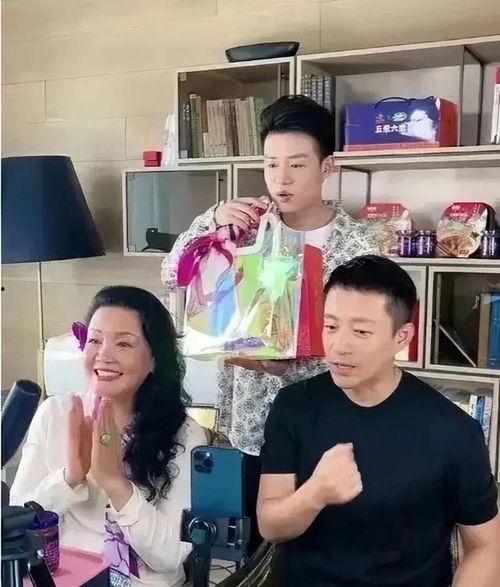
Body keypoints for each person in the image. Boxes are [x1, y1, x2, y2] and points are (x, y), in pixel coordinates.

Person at [161, 96, 379, 545]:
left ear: (327, 167)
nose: (281, 179)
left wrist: (287, 365)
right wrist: (211, 222)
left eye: (297, 165)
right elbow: (172, 274)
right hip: (250, 425)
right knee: (253, 545)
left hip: (325, 424)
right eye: (271, 164)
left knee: (320, 544)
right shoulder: (244, 225)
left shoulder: (357, 247)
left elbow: (368, 341)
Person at [258, 255, 499, 587]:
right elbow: (270, 526)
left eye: (361, 331)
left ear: (402, 336)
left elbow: (486, 546)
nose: (339, 346)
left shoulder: (453, 431)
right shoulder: (294, 406)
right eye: (331, 326)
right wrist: (315, 494)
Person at [11, 286, 207, 587]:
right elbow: (16, 526)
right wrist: (69, 479)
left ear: (154, 358)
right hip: (66, 579)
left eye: (124, 344)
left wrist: (116, 484)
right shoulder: (56, 414)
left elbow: (170, 556)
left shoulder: (185, 433)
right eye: (95, 340)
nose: (103, 355)